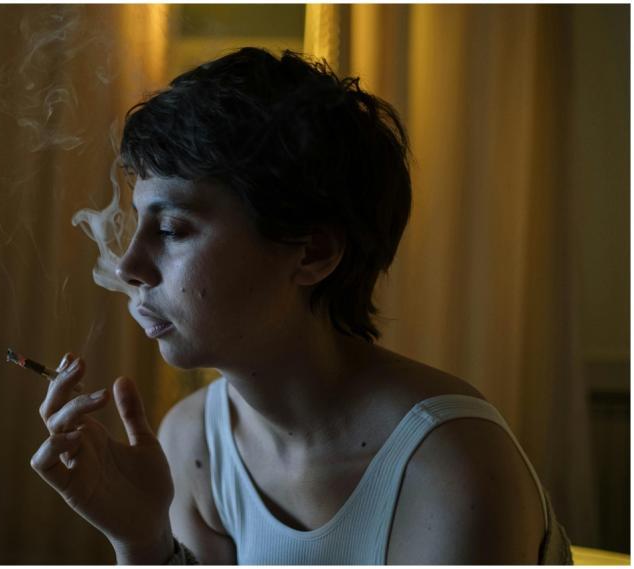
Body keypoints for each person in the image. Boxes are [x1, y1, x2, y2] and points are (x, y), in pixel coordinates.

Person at [30, 47, 574, 564]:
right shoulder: (194, 441)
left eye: (172, 228)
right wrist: (142, 540)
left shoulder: (450, 467)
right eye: (138, 220)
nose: (129, 265)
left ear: (312, 252)